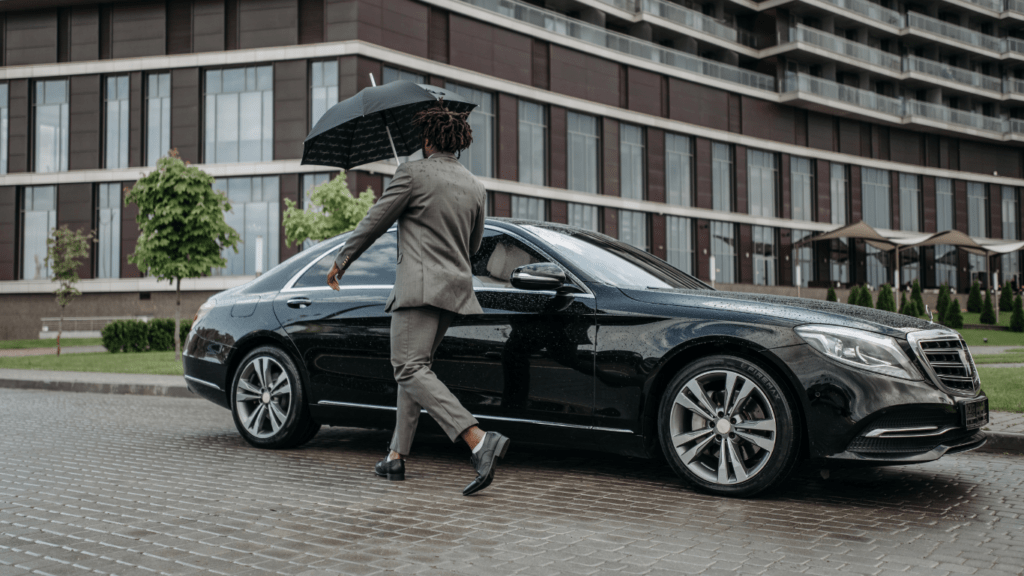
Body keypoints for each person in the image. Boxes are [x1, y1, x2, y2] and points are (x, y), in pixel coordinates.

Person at [325, 101, 510, 496]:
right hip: (455, 291)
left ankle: (477, 439)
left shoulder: (411, 173)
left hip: (419, 288)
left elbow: (375, 220)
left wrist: (342, 260)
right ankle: (395, 456)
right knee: (416, 368)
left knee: (407, 368)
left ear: (427, 140)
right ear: (456, 143)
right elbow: (473, 244)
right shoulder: (476, 186)